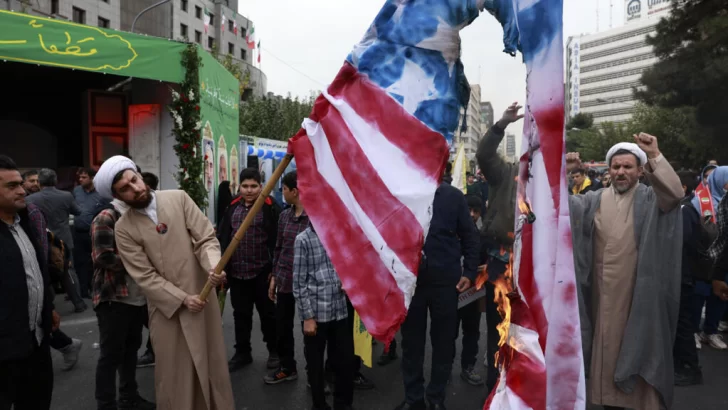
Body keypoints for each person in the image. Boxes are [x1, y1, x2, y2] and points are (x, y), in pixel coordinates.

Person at [93, 156, 233, 410]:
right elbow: (144, 275)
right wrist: (182, 299)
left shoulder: (178, 198)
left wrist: (213, 265)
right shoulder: (123, 228)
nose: (135, 188)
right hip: (167, 309)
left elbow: (205, 239)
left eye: (134, 180)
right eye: (125, 188)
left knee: (210, 361)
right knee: (175, 374)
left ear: (139, 174)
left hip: (203, 298)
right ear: (117, 196)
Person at [568, 134, 684, 410]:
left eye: (628, 167)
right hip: (600, 296)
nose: (621, 172)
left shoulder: (652, 199)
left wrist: (655, 153)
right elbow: (562, 211)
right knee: (606, 349)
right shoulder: (593, 199)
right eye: (616, 167)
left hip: (638, 297)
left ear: (641, 171)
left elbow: (675, 194)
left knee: (639, 348)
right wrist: (563, 172)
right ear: (608, 170)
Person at [395, 182, 479, 410]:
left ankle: (436, 397)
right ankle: (414, 399)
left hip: (446, 283)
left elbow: (470, 236)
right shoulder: (404, 192)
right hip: (411, 283)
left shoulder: (453, 197)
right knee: (411, 344)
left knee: (444, 343)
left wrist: (470, 273)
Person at [0, 155, 57, 410]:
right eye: (12, 186)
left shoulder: (25, 221)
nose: (23, 190)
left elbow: (36, 271)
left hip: (36, 343)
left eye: (21, 183)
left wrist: (48, 307)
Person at [474, 102, 523, 393]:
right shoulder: (505, 173)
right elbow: (483, 154)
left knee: (527, 329)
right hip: (501, 262)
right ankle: (496, 386)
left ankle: (523, 386)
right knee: (498, 326)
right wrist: (500, 125)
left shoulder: (550, 180)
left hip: (536, 265)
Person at [91, 200, 155, 410]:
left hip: (138, 297)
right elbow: (103, 257)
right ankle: (106, 404)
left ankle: (129, 397)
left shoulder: (141, 216)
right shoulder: (106, 217)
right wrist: (141, 262)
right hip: (114, 297)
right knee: (111, 354)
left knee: (130, 350)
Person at [218, 168, 280, 372]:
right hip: (237, 273)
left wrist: (275, 270)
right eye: (245, 186)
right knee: (240, 315)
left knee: (268, 315)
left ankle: (274, 352)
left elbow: (279, 241)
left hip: (263, 272)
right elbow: (223, 236)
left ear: (261, 186)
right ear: (239, 187)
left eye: (254, 186)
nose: (249, 190)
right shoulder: (233, 207)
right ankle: (242, 352)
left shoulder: (271, 207)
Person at [293, 225, 354, 410]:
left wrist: (348, 280)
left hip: (340, 309)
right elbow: (298, 282)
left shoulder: (339, 234)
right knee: (315, 364)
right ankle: (319, 404)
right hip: (316, 314)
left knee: (345, 361)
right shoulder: (303, 240)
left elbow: (348, 264)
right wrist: (308, 317)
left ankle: (343, 404)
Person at [265, 171, 310, 385]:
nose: (281, 192)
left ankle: (315, 374)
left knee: (311, 331)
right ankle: (287, 367)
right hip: (284, 280)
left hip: (309, 286)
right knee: (283, 328)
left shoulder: (317, 219)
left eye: (284, 189)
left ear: (295, 191)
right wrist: (274, 276)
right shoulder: (284, 216)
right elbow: (279, 247)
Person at [26, 169, 87, 312]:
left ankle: (47, 306)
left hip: (42, 241)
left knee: (43, 272)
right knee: (69, 271)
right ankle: (78, 303)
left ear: (39, 182)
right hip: (64, 240)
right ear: (55, 181)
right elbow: (78, 212)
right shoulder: (66, 196)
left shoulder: (30, 199)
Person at [691, 167, 728, 350]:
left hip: (724, 262)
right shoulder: (699, 203)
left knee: (720, 298)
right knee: (699, 297)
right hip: (704, 261)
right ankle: (693, 331)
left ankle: (710, 331)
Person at [674, 171, 704, 386]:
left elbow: (679, 243)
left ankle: (690, 368)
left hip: (681, 275)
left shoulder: (684, 209)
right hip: (684, 273)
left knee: (682, 325)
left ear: (682, 187)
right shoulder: (688, 206)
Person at [455, 195, 485, 386]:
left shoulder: (483, 235)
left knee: (472, 332)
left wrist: (485, 268)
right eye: (469, 210)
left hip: (473, 294)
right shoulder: (450, 232)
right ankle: (443, 369)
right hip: (451, 291)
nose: (472, 215)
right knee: (448, 333)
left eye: (476, 211)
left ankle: (468, 367)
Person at [73, 167, 109, 299]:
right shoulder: (76, 191)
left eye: (84, 177)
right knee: (80, 262)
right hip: (79, 232)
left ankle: (95, 287)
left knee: (96, 261)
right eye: (80, 177)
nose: (80, 180)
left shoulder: (101, 192)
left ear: (92, 178)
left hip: (95, 232)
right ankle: (83, 291)